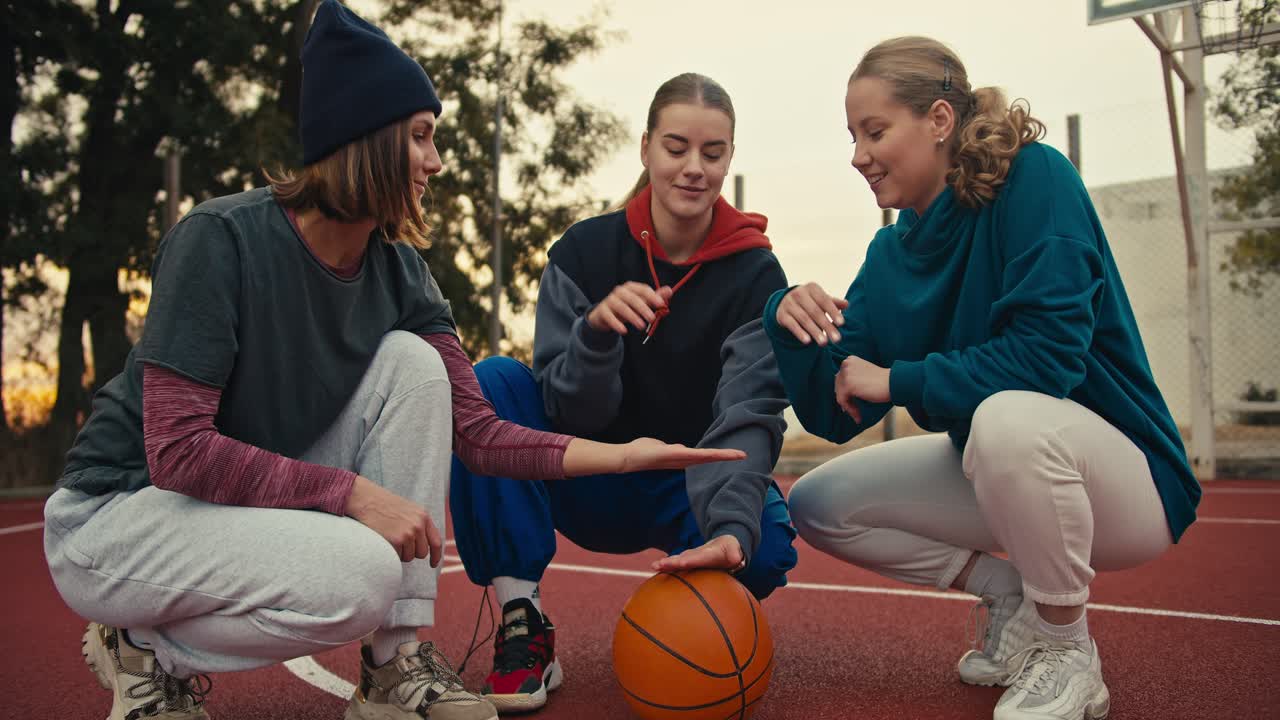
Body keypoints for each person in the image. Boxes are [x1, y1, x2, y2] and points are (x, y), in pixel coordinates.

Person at [41, 5, 744, 720]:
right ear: (364, 138)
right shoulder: (219, 240)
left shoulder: (401, 275)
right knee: (361, 574)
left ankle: (393, 665)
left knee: (415, 363)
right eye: (420, 137)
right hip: (120, 514)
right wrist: (352, 494)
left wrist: (623, 457)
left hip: (226, 504)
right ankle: (142, 649)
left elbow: (478, 433)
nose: (436, 161)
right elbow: (179, 452)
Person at [768, 37, 1199, 720]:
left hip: (1128, 482)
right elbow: (832, 409)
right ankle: (1012, 598)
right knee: (818, 503)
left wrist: (899, 381)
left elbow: (1046, 359)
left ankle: (1066, 649)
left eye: (875, 131)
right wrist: (785, 319)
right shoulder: (890, 253)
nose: (858, 155)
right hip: (998, 463)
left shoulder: (1036, 180)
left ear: (939, 120)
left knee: (1006, 419)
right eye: (852, 137)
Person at [448, 72, 799, 713]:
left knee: (766, 548)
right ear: (645, 149)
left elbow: (749, 410)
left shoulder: (756, 273)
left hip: (681, 481)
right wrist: (597, 335)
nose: (694, 168)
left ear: (728, 158)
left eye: (712, 152)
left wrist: (729, 530)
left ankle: (692, 616)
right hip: (584, 474)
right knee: (494, 380)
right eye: (676, 147)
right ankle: (523, 622)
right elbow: (563, 411)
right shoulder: (583, 252)